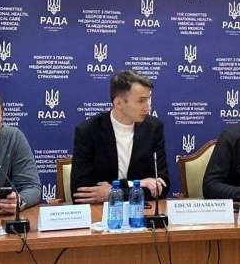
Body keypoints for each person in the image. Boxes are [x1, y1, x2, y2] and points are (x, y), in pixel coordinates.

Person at [71, 70, 169, 203]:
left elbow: (162, 186)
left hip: (140, 210)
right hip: (100, 211)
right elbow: (81, 192)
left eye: (148, 100)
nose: (148, 107)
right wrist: (137, 184)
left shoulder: (153, 128)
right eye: (141, 101)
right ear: (118, 103)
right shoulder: (88, 131)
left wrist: (114, 192)